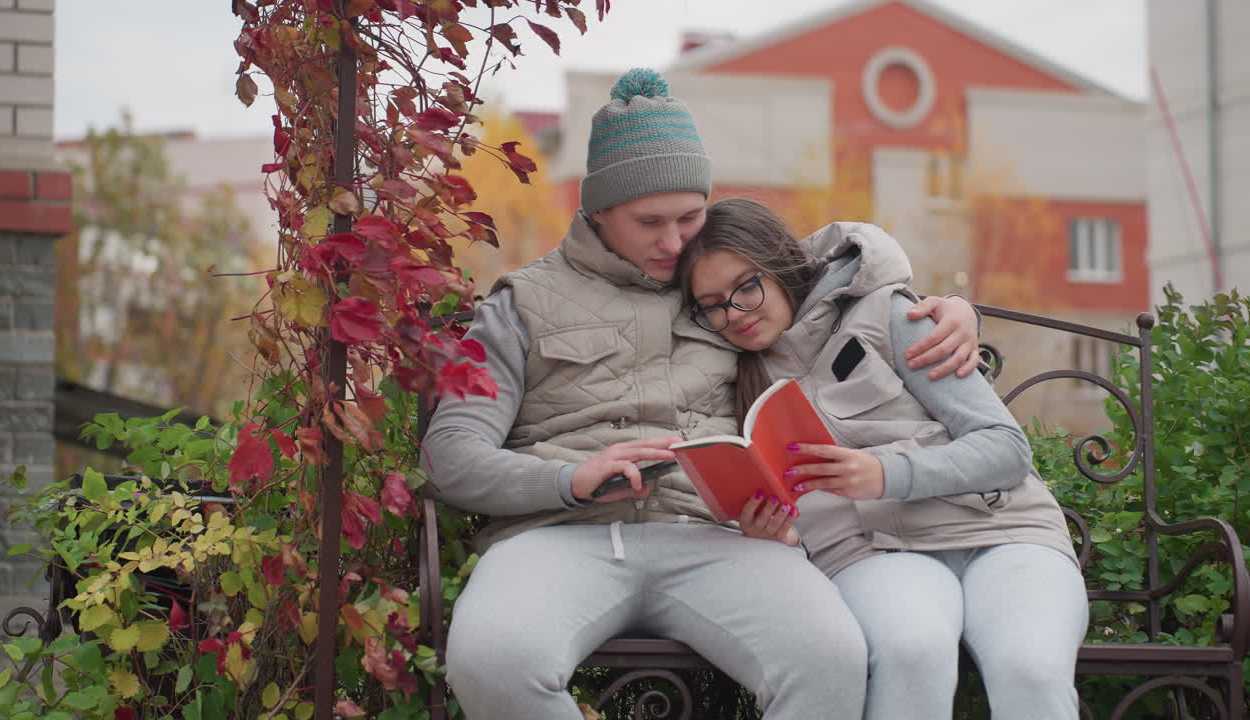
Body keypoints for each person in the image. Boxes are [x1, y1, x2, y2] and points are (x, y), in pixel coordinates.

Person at [420, 69, 982, 719]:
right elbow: (451, 454)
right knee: (492, 659)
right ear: (597, 209)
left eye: (690, 218)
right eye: (649, 222)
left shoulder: (729, 285)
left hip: (719, 538)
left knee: (830, 656)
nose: (672, 242)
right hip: (558, 534)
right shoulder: (520, 303)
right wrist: (572, 480)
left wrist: (955, 308)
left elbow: (851, 264)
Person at [678, 197, 1089, 720]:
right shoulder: (728, 373)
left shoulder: (887, 313)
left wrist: (883, 473)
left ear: (779, 266)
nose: (733, 314)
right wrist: (772, 533)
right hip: (870, 554)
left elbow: (1005, 449)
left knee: (1029, 666)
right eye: (711, 305)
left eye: (746, 287)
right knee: (911, 650)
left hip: (1002, 529)